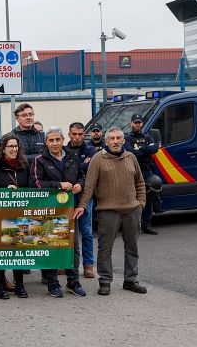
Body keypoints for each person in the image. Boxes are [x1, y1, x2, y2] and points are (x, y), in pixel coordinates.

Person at [74, 127, 148, 296]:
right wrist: (82, 206)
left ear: (123, 141)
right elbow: (89, 186)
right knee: (105, 248)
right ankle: (105, 281)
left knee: (132, 247)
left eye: (118, 138)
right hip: (108, 212)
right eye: (112, 138)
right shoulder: (98, 159)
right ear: (106, 141)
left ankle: (131, 280)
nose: (115, 141)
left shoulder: (131, 157)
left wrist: (141, 204)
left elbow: (140, 183)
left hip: (132, 210)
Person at [30, 126, 87, 298]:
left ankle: (73, 281)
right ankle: (52, 282)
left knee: (73, 247)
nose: (54, 143)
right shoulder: (40, 160)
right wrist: (59, 185)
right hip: (49, 209)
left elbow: (82, 176)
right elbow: (36, 184)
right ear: (46, 142)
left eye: (57, 139)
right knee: (51, 245)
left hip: (70, 209)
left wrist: (80, 184)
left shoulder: (72, 156)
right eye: (51, 140)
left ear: (63, 140)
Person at [0, 133, 30, 299]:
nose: (14, 149)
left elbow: (32, 188)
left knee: (18, 251)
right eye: (10, 146)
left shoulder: (24, 166)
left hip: (19, 214)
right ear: (2, 149)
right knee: (0, 253)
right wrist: (3, 191)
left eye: (16, 146)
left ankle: (20, 285)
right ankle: (0, 286)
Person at [67, 122, 98, 279]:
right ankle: (65, 263)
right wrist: (82, 164)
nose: (77, 137)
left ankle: (88, 266)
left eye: (80, 134)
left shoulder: (91, 150)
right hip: (67, 198)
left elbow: (90, 171)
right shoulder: (64, 150)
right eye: (74, 134)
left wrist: (77, 166)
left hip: (85, 196)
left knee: (86, 231)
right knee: (65, 232)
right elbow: (75, 169)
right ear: (69, 134)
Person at [125, 114, 160, 235]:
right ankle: (134, 225)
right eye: (135, 122)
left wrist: (141, 149)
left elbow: (155, 148)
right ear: (131, 124)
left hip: (147, 171)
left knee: (148, 198)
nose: (137, 125)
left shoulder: (147, 136)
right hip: (134, 172)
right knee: (133, 199)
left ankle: (147, 225)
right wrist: (146, 149)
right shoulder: (128, 138)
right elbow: (132, 153)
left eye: (139, 122)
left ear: (142, 124)